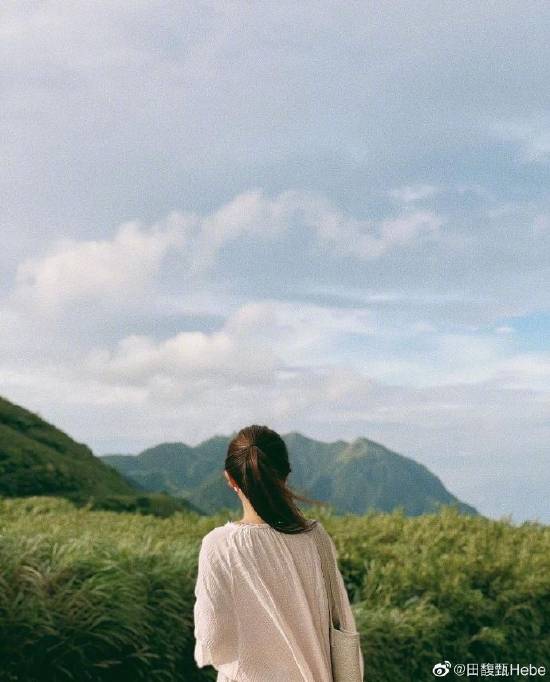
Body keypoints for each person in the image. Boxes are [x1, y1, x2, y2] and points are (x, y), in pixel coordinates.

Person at [193, 424, 364, 681]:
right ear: (285, 475)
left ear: (230, 479)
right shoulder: (316, 538)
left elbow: (211, 642)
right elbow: (342, 624)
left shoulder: (218, 545)